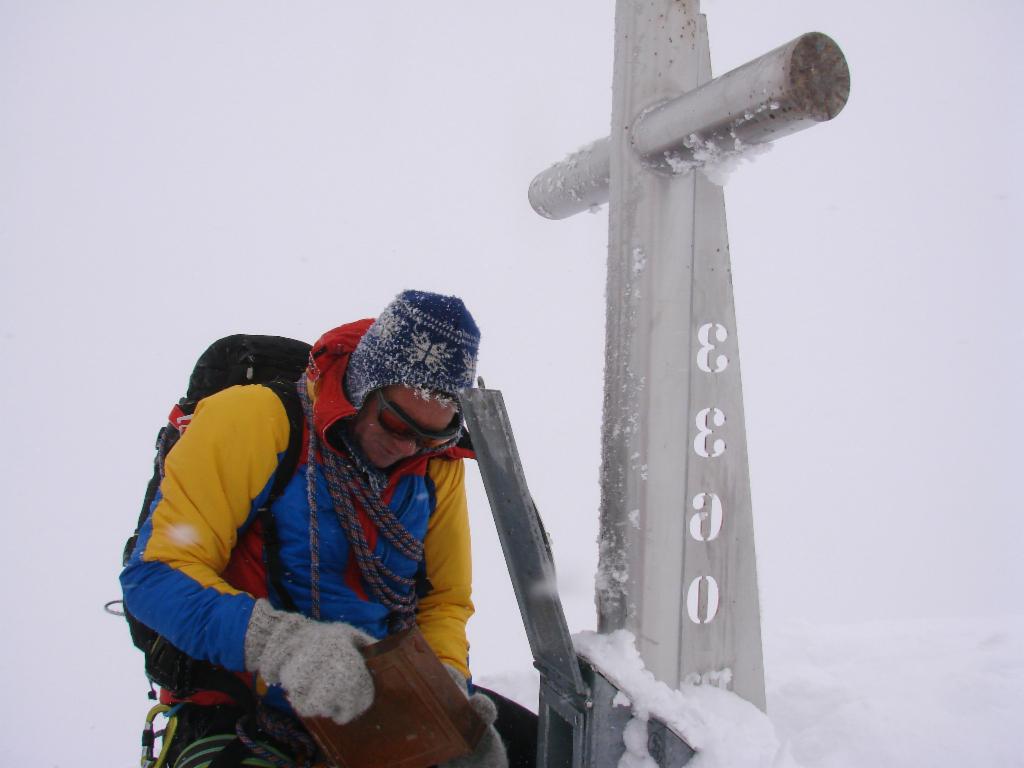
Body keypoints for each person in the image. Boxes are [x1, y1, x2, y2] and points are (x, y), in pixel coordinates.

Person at [121, 290, 515, 768]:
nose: (408, 447)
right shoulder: (256, 421)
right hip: (240, 704)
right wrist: (283, 645)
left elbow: (443, 600)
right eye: (395, 423)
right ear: (362, 386)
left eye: (431, 435)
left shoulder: (436, 466)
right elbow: (155, 576)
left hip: (373, 710)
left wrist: (443, 690)